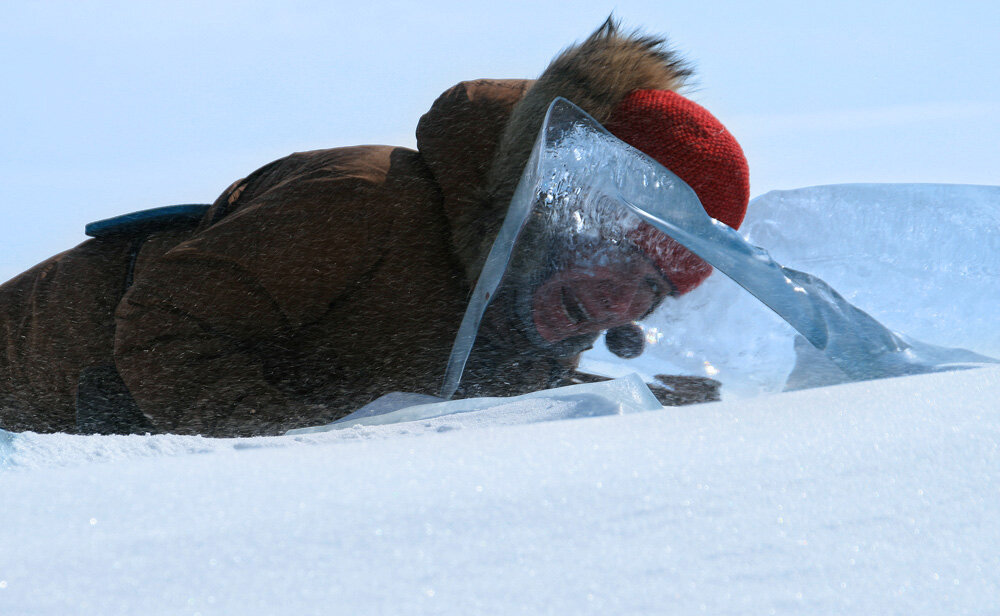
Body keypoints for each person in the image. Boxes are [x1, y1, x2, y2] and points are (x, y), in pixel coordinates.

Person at [0, 19, 749, 437]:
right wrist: (302, 450)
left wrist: (653, 407)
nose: (621, 302)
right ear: (556, 204)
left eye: (653, 288)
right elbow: (167, 323)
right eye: (616, 252)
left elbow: (427, 389)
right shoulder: (367, 202)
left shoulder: (530, 319)